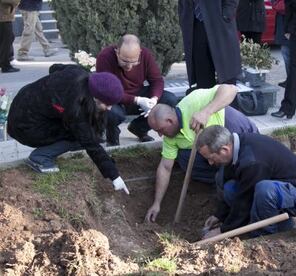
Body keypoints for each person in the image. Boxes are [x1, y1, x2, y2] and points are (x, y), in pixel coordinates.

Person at [7, 64, 130, 194]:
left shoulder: (79, 72)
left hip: (24, 101)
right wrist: (115, 176)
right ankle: (40, 158)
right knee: (77, 138)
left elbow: (54, 68)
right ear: (95, 97)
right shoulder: (76, 107)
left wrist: (50, 97)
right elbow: (90, 144)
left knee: (87, 132)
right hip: (25, 125)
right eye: (107, 104)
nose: (110, 108)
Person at [145, 84, 258, 222]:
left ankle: (239, 189)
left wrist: (206, 111)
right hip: (219, 154)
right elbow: (165, 167)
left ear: (170, 120)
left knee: (242, 177)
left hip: (240, 136)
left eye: (160, 130)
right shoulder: (170, 138)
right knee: (184, 158)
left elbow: (231, 89)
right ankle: (222, 181)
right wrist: (157, 203)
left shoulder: (194, 100)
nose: (160, 135)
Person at [196, 125, 296, 239]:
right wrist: (220, 215)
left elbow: (245, 199)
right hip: (278, 191)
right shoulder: (236, 147)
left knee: (265, 190)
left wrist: (223, 231)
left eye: (211, 158)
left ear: (224, 149)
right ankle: (271, 224)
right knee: (229, 187)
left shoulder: (251, 162)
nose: (210, 163)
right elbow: (241, 192)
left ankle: (264, 237)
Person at [96, 34, 177, 145]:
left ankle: (139, 128)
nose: (129, 67)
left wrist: (154, 99)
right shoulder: (105, 57)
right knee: (112, 112)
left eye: (134, 62)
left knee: (169, 99)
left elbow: (157, 80)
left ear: (139, 53)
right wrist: (137, 100)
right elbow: (108, 90)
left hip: (136, 93)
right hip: (114, 99)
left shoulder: (146, 55)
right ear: (117, 52)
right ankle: (112, 139)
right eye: (124, 61)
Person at [178, 0, 241, 91]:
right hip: (195, 24)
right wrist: (182, 16)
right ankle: (208, 103)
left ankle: (229, 102)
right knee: (202, 75)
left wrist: (227, 13)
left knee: (227, 73)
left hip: (219, 21)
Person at [0, 0, 20, 73]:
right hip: (3, 16)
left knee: (7, 39)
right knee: (6, 41)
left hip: (5, 15)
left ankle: (4, 63)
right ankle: (5, 65)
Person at [274, 0, 290, 88]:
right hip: (285, 21)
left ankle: (292, 80)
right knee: (287, 53)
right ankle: (291, 79)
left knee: (287, 53)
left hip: (288, 23)